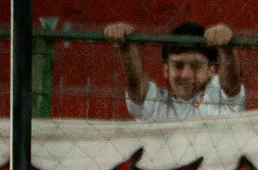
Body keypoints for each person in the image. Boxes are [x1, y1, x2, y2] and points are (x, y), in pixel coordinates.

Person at [105, 19, 245, 121]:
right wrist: (125, 47)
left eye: (196, 66)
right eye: (178, 66)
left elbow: (230, 85)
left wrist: (226, 49)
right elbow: (136, 83)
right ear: (166, 70)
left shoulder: (217, 98)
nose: (186, 74)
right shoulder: (157, 105)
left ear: (211, 70)